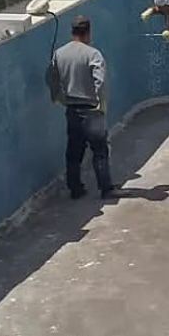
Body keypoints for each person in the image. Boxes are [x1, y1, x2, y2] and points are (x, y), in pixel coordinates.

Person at [50, 15, 114, 199]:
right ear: (88, 32)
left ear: (72, 32)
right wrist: (101, 104)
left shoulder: (59, 53)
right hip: (91, 109)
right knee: (100, 151)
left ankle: (75, 188)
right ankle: (106, 189)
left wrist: (60, 98)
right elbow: (100, 82)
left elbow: (53, 80)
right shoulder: (93, 54)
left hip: (72, 109)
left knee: (74, 151)